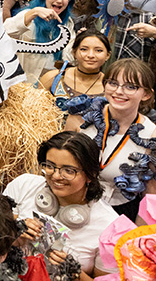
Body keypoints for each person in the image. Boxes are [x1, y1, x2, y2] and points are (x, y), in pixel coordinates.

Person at [4, 131, 118, 280]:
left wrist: (75, 273)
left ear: (90, 174)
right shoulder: (23, 186)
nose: (56, 176)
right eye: (50, 166)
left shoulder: (110, 226)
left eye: (69, 171)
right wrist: (12, 229)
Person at [65, 58, 156, 219]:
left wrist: (141, 230)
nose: (119, 91)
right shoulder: (81, 117)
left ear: (146, 94)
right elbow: (60, 160)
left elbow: (150, 191)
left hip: (118, 213)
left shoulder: (151, 134)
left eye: (130, 87)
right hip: (71, 203)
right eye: (113, 83)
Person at [4, 0, 75, 85]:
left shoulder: (68, 23)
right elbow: (5, 32)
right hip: (25, 85)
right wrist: (34, 12)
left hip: (50, 85)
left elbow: (69, 58)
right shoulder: (29, 15)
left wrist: (80, 44)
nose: (59, 0)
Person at [40, 30, 110, 100]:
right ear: (74, 52)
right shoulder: (52, 78)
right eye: (84, 49)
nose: (91, 55)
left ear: (108, 55)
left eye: (98, 50)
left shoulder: (111, 87)